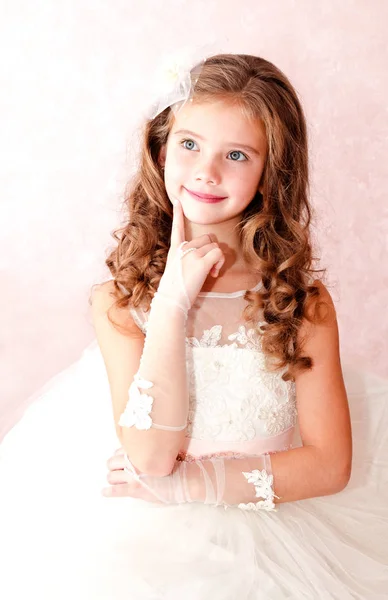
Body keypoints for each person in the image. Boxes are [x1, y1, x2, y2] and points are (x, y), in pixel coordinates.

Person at [0, 53, 387, 599]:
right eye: (189, 145)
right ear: (162, 151)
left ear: (270, 171)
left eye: (236, 154)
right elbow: (152, 457)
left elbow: (329, 465)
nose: (207, 171)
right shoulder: (119, 301)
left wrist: (194, 484)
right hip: (139, 543)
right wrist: (171, 305)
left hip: (272, 541)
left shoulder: (303, 304)